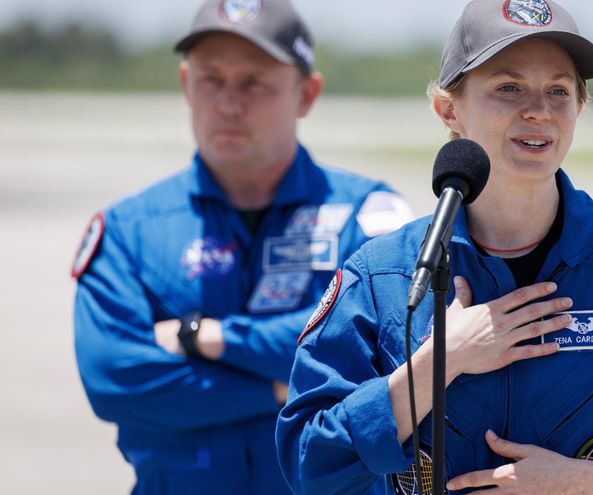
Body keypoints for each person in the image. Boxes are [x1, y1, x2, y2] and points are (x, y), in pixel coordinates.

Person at [277, 0, 593, 494]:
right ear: (449, 110)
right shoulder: (382, 276)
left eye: (558, 91)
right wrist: (439, 362)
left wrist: (589, 483)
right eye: (508, 88)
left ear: (579, 108)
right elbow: (308, 461)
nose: (538, 111)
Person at [71, 0, 413, 493]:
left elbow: (387, 350)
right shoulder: (129, 231)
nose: (229, 104)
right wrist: (282, 386)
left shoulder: (368, 217)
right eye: (212, 80)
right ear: (186, 84)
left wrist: (208, 338)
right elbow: (115, 380)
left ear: (306, 94)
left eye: (254, 83)